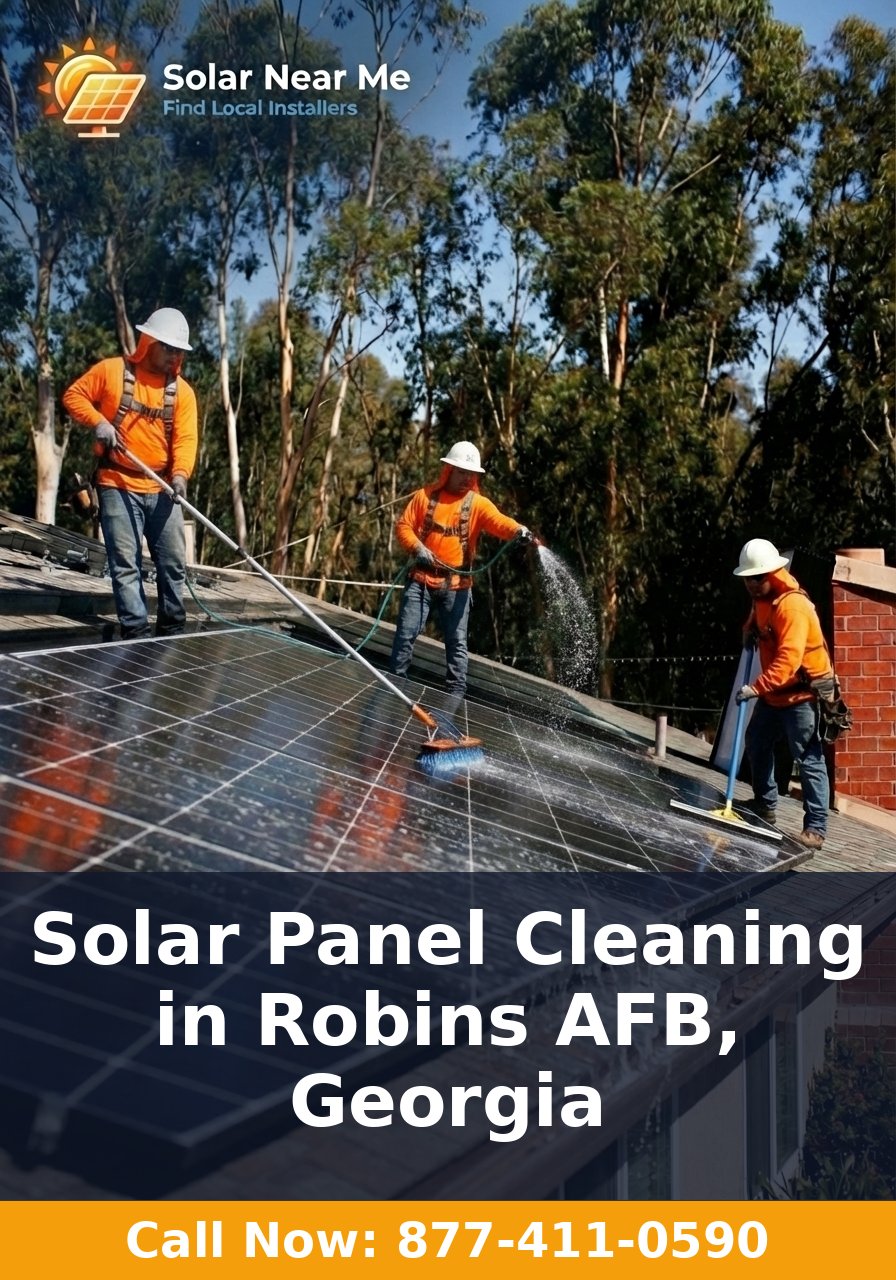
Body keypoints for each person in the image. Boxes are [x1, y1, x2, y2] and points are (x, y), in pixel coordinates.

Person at [63, 308, 198, 639]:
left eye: (179, 350)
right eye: (168, 347)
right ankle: (137, 636)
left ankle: (171, 632)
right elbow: (73, 396)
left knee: (172, 565)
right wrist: (99, 422)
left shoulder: (182, 393)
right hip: (117, 483)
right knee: (126, 563)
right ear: (148, 342)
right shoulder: (111, 372)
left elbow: (185, 439)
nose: (174, 355)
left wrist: (180, 476)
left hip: (163, 488)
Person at [390, 441, 534, 696]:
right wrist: (417, 548)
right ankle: (395, 686)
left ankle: (456, 696)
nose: (466, 478)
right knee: (406, 633)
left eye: (471, 473)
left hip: (457, 586)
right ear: (448, 470)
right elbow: (404, 526)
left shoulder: (477, 504)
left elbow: (500, 522)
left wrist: (518, 530)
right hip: (421, 579)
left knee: (456, 644)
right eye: (461, 472)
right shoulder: (425, 496)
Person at [732, 538, 833, 850]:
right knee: (758, 741)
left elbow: (788, 662)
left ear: (770, 574)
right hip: (776, 694)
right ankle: (765, 804)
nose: (749, 584)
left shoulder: (793, 607)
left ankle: (815, 828)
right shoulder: (762, 596)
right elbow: (757, 618)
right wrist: (748, 629)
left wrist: (755, 688)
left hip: (800, 695)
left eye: (755, 578)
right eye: (747, 578)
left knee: (808, 757)